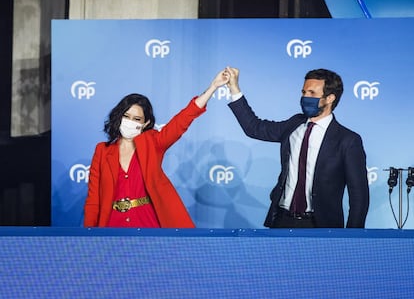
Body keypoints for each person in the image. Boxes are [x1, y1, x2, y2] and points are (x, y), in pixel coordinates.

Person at [225, 67, 369, 228]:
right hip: (282, 220)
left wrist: (350, 238)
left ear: (330, 98)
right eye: (303, 92)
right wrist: (234, 88)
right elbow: (254, 128)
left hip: (321, 226)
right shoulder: (294, 124)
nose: (305, 97)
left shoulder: (348, 140)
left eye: (312, 93)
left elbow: (359, 196)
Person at [84, 70, 230, 228]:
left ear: (145, 123)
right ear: (119, 117)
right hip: (112, 225)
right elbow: (93, 200)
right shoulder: (102, 151)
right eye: (126, 116)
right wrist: (88, 236)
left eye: (137, 119)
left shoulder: (153, 143)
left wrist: (213, 87)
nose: (130, 122)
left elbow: (182, 120)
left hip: (147, 223)